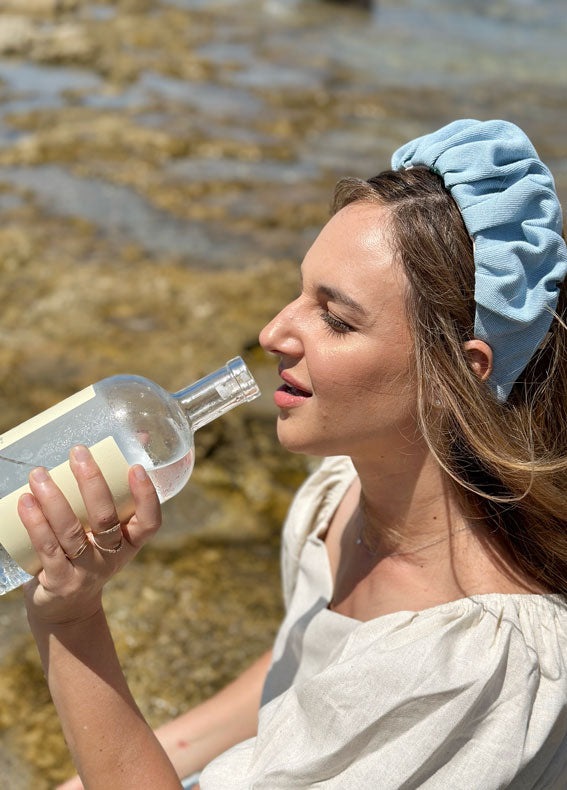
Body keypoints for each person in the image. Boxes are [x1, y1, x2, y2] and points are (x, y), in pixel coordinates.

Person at [20, 119, 567, 789]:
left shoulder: (476, 669)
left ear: (457, 371)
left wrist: (72, 622)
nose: (273, 332)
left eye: (335, 318)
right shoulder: (340, 492)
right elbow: (305, 671)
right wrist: (161, 750)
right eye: (300, 292)